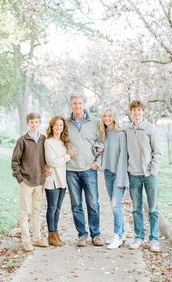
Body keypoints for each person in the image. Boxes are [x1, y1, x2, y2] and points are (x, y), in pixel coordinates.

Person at [66, 95, 103, 247]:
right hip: (71, 169)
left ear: (84, 104)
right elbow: (60, 139)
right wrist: (67, 148)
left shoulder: (95, 122)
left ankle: (96, 235)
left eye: (80, 103)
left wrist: (97, 163)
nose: (77, 106)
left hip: (89, 169)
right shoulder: (65, 123)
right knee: (76, 205)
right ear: (71, 105)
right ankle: (82, 235)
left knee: (93, 203)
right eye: (74, 103)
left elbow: (102, 143)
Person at [124, 100, 162, 252]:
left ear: (143, 112)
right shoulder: (127, 130)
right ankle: (139, 237)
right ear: (131, 113)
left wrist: (152, 170)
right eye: (134, 111)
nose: (137, 113)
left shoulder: (150, 129)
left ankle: (154, 240)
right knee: (136, 208)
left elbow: (157, 151)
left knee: (153, 208)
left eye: (139, 111)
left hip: (149, 175)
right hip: (134, 174)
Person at [11, 112, 47, 252]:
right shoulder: (22, 140)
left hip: (39, 181)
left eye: (36, 122)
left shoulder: (44, 139)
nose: (34, 124)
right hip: (26, 181)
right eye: (31, 122)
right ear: (28, 123)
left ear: (39, 123)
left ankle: (37, 238)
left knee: (37, 211)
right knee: (24, 212)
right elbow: (15, 162)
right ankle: (26, 241)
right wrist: (20, 179)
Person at [97, 108, 129, 249]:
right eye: (105, 116)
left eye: (110, 116)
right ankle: (121, 234)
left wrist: (121, 178)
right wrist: (98, 148)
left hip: (119, 174)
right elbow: (97, 147)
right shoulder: (103, 133)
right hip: (108, 173)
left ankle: (117, 236)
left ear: (114, 117)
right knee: (115, 205)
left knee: (116, 205)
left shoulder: (121, 134)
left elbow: (123, 157)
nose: (107, 118)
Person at [44, 116, 77, 247]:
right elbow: (52, 162)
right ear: (52, 126)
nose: (58, 127)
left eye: (61, 125)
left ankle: (55, 233)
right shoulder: (48, 142)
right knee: (52, 208)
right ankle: (51, 234)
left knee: (57, 208)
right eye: (56, 125)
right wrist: (68, 156)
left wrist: (68, 154)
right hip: (52, 178)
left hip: (62, 179)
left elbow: (61, 161)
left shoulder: (63, 142)